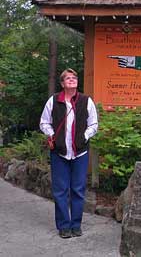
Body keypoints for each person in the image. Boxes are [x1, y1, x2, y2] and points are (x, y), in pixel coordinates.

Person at [40, 68, 98, 238]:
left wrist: (84, 137)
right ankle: (64, 226)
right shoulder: (53, 101)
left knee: (78, 190)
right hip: (59, 153)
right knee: (60, 190)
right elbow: (44, 122)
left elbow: (93, 124)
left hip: (79, 152)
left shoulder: (86, 101)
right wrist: (52, 135)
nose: (72, 80)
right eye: (68, 78)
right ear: (62, 83)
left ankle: (76, 225)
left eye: (74, 78)